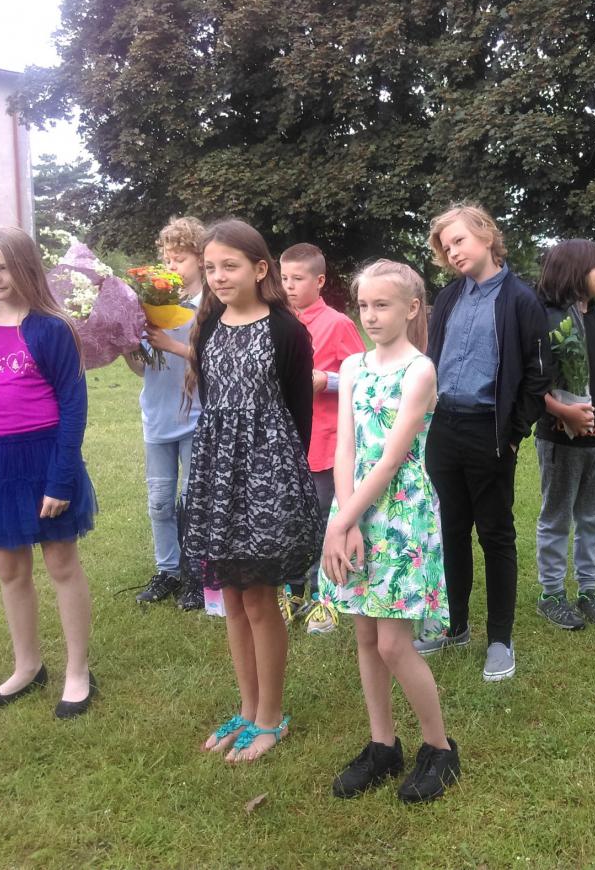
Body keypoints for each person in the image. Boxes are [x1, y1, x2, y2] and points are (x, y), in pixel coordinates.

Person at [320, 260, 460, 803]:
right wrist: (344, 517)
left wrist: (345, 519)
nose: (371, 315)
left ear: (411, 308)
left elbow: (392, 458)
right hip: (353, 510)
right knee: (364, 636)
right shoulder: (353, 365)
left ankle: (439, 748)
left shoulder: (419, 370)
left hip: (400, 515)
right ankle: (383, 745)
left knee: (393, 644)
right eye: (364, 305)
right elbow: (346, 447)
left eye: (383, 305)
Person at [181, 219, 321, 762]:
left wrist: (279, 477)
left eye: (230, 266)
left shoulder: (286, 330)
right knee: (232, 598)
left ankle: (271, 716)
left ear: (261, 269)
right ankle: (247, 708)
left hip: (268, 476)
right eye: (210, 267)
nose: (218, 276)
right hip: (219, 474)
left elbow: (300, 414)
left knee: (260, 599)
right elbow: (213, 402)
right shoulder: (208, 326)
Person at [0, 227, 98, 719]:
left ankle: (77, 671)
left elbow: (73, 407)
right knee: (10, 570)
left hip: (44, 460)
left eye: (4, 267)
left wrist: (60, 479)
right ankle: (27, 666)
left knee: (61, 564)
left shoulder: (52, 328)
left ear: (27, 268)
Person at [416, 203, 551, 682]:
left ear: (487, 236)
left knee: (495, 536)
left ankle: (499, 638)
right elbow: (431, 360)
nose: (453, 252)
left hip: (490, 434)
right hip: (443, 430)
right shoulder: (449, 296)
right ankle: (455, 626)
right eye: (446, 246)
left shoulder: (521, 300)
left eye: (460, 240)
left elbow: (539, 376)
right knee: (449, 530)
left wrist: (513, 435)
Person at [532, 239, 595, 631]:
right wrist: (563, 412)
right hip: (560, 441)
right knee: (556, 518)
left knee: (594, 518)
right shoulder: (546, 319)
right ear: (575, 271)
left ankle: (588, 590)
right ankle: (551, 594)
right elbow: (531, 383)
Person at [279, 242, 365, 634]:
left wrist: (326, 380)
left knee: (322, 521)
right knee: (290, 519)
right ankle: (293, 590)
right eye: (284, 278)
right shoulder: (279, 321)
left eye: (298, 279)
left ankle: (325, 598)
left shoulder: (338, 324)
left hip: (325, 442)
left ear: (319, 281)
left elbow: (362, 375)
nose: (289, 286)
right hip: (287, 442)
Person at [124, 216, 205, 608]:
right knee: (159, 501)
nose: (173, 267)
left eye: (181, 259)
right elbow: (144, 368)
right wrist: (127, 346)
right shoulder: (153, 303)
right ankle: (167, 571)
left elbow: (217, 360)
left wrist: (171, 345)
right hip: (157, 416)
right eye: (168, 259)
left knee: (192, 501)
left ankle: (195, 574)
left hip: (196, 415)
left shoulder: (210, 305)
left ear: (200, 259)